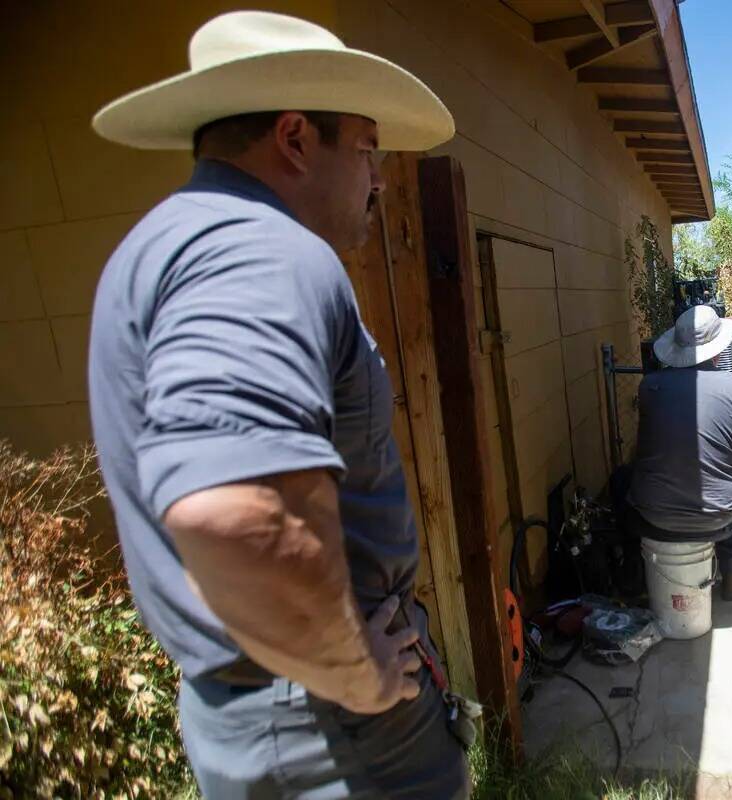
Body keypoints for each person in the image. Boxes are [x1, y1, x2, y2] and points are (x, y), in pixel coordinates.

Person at [87, 11, 467, 797]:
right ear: (295, 138)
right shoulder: (259, 248)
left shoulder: (165, 243)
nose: (380, 177)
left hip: (271, 719)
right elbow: (237, 510)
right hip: (330, 734)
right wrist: (357, 677)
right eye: (368, 148)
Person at [625, 305, 732, 602]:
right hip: (721, 518)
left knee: (619, 482)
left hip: (652, 518)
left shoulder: (649, 386)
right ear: (719, 349)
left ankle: (635, 578)